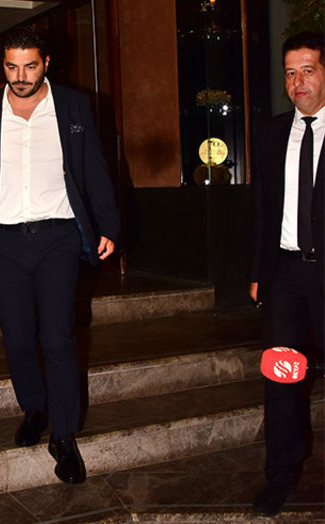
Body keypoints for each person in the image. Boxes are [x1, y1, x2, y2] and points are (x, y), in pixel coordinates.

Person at [0, 26, 120, 484]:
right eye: (12, 67)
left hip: (58, 236)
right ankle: (35, 407)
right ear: (2, 65)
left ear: (46, 64)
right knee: (18, 339)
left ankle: (64, 435)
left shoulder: (74, 106)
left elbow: (94, 168)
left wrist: (109, 224)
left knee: (58, 338)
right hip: (3, 241)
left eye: (30, 66)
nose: (20, 76)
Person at [249, 31, 324, 517]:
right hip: (285, 277)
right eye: (291, 73)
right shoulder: (272, 132)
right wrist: (259, 271)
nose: (298, 82)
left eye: (308, 70)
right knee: (281, 381)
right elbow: (261, 208)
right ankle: (280, 477)